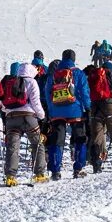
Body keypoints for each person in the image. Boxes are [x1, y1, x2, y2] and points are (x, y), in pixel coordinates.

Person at [44, 49, 91, 179]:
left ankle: (55, 170)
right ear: (73, 59)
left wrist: (51, 108)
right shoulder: (78, 73)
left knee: (57, 140)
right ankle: (78, 168)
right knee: (79, 139)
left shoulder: (54, 74)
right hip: (75, 110)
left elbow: (47, 92)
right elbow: (84, 92)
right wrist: (87, 107)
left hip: (57, 111)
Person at [0, 62, 48, 186]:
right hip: (28, 117)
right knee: (37, 144)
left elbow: (3, 104)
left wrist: (9, 111)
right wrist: (42, 116)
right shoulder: (32, 82)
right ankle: (40, 174)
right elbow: (35, 102)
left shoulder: (11, 82)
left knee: (12, 147)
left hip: (11, 118)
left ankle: (10, 176)